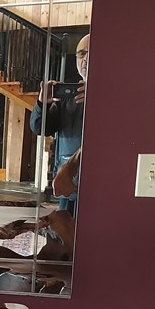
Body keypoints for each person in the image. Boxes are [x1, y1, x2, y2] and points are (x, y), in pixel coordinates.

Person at [30, 33, 89, 214]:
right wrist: (43, 103)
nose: (85, 59)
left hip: (100, 186)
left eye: (91, 52)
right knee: (65, 239)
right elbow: (40, 127)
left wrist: (101, 98)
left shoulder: (119, 94)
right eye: (81, 54)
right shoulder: (68, 97)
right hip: (68, 184)